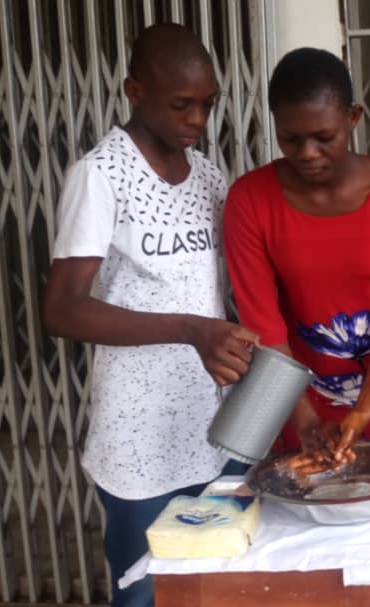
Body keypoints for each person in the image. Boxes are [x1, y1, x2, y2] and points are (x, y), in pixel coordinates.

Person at [41, 23, 259, 606]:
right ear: (135, 91)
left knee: (220, 585)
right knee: (146, 594)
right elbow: (62, 308)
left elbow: (216, 291)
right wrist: (187, 329)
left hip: (215, 429)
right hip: (138, 438)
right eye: (181, 104)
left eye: (208, 104)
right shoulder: (100, 176)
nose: (197, 119)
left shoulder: (209, 176)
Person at [223, 48, 370, 463]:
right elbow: (264, 326)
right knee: (304, 501)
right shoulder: (249, 201)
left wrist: (364, 411)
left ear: (353, 118)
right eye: (290, 138)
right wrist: (303, 419)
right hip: (290, 387)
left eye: (324, 137)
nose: (306, 153)